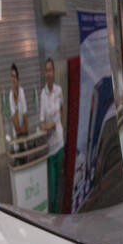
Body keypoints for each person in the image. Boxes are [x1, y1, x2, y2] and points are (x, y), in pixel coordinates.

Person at [39, 57, 66, 211]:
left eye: (51, 70)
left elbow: (62, 108)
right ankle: (54, 215)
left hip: (60, 143)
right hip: (50, 148)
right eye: (47, 70)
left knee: (60, 182)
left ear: (54, 72)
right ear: (45, 73)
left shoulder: (58, 91)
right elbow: (42, 123)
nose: (49, 73)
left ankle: (60, 214)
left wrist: (61, 126)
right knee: (52, 188)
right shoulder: (43, 95)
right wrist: (49, 126)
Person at [8, 63, 28, 137]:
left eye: (14, 77)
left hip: (24, 132)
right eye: (11, 76)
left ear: (18, 79)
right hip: (16, 135)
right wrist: (15, 98)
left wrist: (24, 128)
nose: (13, 79)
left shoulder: (22, 92)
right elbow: (16, 127)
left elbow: (25, 115)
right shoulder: (10, 96)